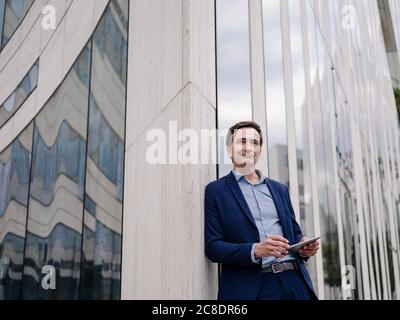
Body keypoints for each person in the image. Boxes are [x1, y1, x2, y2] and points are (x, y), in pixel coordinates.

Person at [204, 121, 319, 300]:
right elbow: (213, 247)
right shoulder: (216, 191)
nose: (248, 147)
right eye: (242, 141)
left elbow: (295, 235)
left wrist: (304, 246)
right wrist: (255, 250)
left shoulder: (280, 189)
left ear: (259, 151)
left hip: (295, 281)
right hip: (253, 289)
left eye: (254, 143)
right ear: (229, 150)